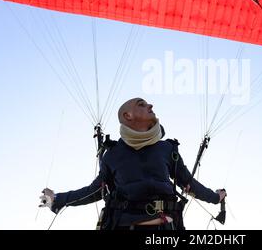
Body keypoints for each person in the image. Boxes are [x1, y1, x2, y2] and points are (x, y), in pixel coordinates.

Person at [40, 97, 226, 230]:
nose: (150, 105)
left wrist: (215, 198)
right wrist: (57, 199)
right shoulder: (112, 155)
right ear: (127, 116)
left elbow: (189, 184)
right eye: (141, 104)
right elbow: (94, 191)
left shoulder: (167, 150)